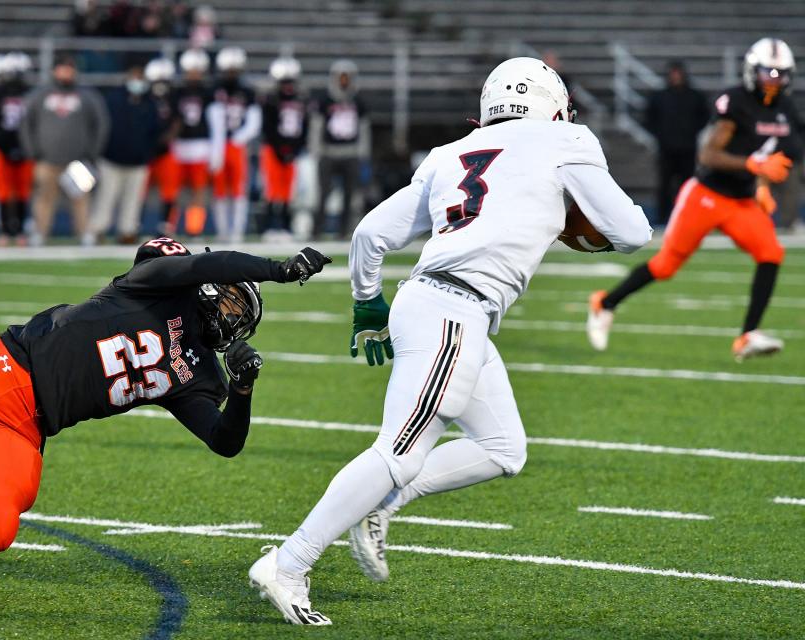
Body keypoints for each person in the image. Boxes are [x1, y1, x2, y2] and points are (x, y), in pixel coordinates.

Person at [247, 57, 652, 625]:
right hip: (454, 312)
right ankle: (288, 564)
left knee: (503, 448)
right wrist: (580, 227)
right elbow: (633, 231)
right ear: (552, 105)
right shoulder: (568, 139)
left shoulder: (449, 153)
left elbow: (369, 233)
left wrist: (367, 302)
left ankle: (384, 505)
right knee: (398, 453)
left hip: (441, 304)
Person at [0, 238, 332, 612]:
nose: (235, 319)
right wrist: (278, 270)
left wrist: (243, 391)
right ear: (207, 290)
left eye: (241, 314)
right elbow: (205, 264)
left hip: (24, 426)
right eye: (233, 303)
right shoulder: (157, 286)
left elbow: (225, 442)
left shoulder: (202, 374)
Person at [588, 38, 801, 361]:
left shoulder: (786, 109)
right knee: (665, 266)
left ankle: (747, 336)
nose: (773, 81)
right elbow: (709, 154)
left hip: (741, 201)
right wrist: (753, 167)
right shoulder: (736, 102)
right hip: (706, 196)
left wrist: (759, 186)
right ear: (750, 71)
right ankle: (604, 303)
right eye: (767, 73)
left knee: (771, 252)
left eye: (780, 74)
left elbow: (767, 152)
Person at [20, 55, 109, 245]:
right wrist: (33, 151)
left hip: (77, 160)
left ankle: (84, 233)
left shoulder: (87, 96)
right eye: (62, 68)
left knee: (81, 199)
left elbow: (101, 124)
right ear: (54, 71)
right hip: (47, 159)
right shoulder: (40, 95)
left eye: (70, 68)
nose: (66, 73)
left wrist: (92, 152)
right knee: (44, 198)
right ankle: (40, 232)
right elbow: (27, 123)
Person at [88, 64, 160, 245]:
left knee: (133, 199)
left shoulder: (149, 102)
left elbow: (154, 131)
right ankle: (98, 230)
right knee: (106, 196)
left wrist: (147, 153)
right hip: (112, 158)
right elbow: (103, 127)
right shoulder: (114, 99)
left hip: (138, 161)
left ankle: (127, 231)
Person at [164, 48, 225, 237]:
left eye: (197, 70)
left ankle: (194, 229)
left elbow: (217, 124)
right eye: (191, 70)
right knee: (174, 189)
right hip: (180, 146)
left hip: (200, 146)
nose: (194, 74)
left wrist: (216, 152)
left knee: (199, 190)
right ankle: (168, 226)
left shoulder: (209, 94)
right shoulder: (176, 93)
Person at [310, 59, 371, 240]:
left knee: (350, 195)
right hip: (328, 152)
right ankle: (316, 231)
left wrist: (363, 154)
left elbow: (364, 129)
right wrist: (316, 151)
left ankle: (344, 231)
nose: (344, 81)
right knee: (323, 194)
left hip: (351, 153)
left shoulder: (359, 102)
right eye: (341, 77)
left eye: (347, 77)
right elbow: (316, 126)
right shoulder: (324, 101)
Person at [645, 60, 709, 226]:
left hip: (688, 149)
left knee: (688, 185)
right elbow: (649, 119)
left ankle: (688, 215)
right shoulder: (660, 97)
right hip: (666, 149)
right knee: (664, 184)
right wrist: (660, 135)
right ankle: (662, 217)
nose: (676, 77)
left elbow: (705, 117)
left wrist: (691, 131)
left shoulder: (695, 96)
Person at [212, 46, 261, 243]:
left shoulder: (247, 91)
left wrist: (239, 138)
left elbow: (255, 121)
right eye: (228, 69)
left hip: (237, 145)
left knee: (239, 190)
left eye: (234, 69)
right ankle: (222, 231)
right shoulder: (214, 89)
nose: (231, 73)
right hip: (218, 144)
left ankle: (237, 231)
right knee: (220, 189)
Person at [0, 52, 34, 246]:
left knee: (22, 191)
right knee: (4, 191)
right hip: (1, 146)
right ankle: (6, 229)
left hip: (25, 146)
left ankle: (19, 229)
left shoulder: (30, 94)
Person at [260, 55, 308, 239]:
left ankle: (286, 226)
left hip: (292, 149)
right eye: (284, 81)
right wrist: (280, 148)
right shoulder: (271, 100)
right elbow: (268, 128)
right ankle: (269, 227)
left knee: (288, 191)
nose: (288, 85)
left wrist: (294, 149)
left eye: (290, 81)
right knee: (271, 190)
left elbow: (304, 127)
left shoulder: (301, 99)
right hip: (273, 149)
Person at [144, 57, 179, 234]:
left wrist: (169, 136)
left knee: (169, 191)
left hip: (166, 150)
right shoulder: (144, 97)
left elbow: (178, 121)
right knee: (140, 190)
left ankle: (166, 226)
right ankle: (134, 225)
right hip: (146, 150)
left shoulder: (173, 98)